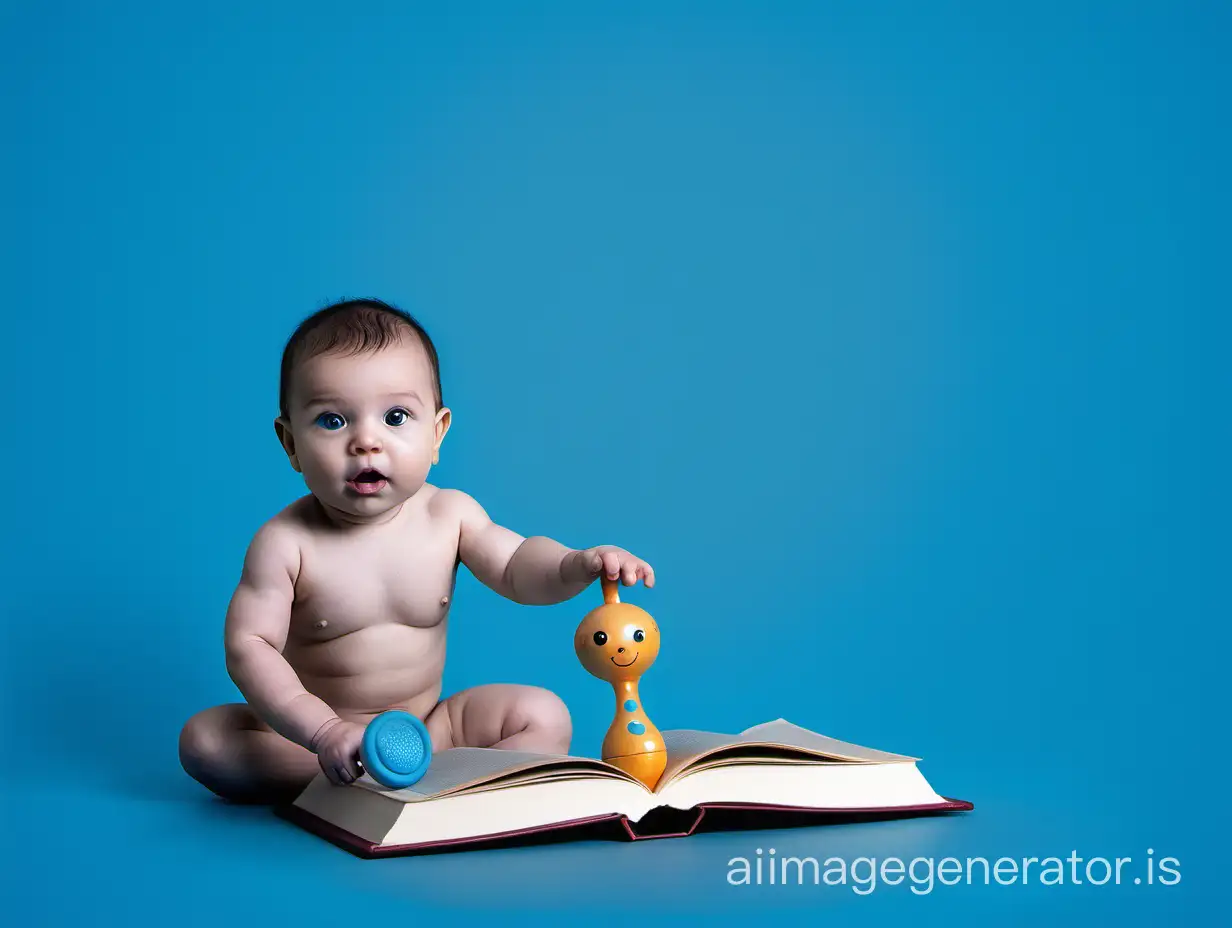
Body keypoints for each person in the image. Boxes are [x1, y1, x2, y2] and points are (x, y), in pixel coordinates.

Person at [178, 298, 654, 803]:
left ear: (436, 434)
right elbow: (249, 646)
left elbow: (516, 566)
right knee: (206, 741)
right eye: (332, 421)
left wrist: (573, 564)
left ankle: (425, 777)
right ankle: (389, 782)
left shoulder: (449, 516)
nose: (366, 441)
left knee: (544, 715)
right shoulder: (286, 543)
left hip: (429, 730)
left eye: (396, 416)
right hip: (315, 737)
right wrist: (321, 732)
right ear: (290, 443)